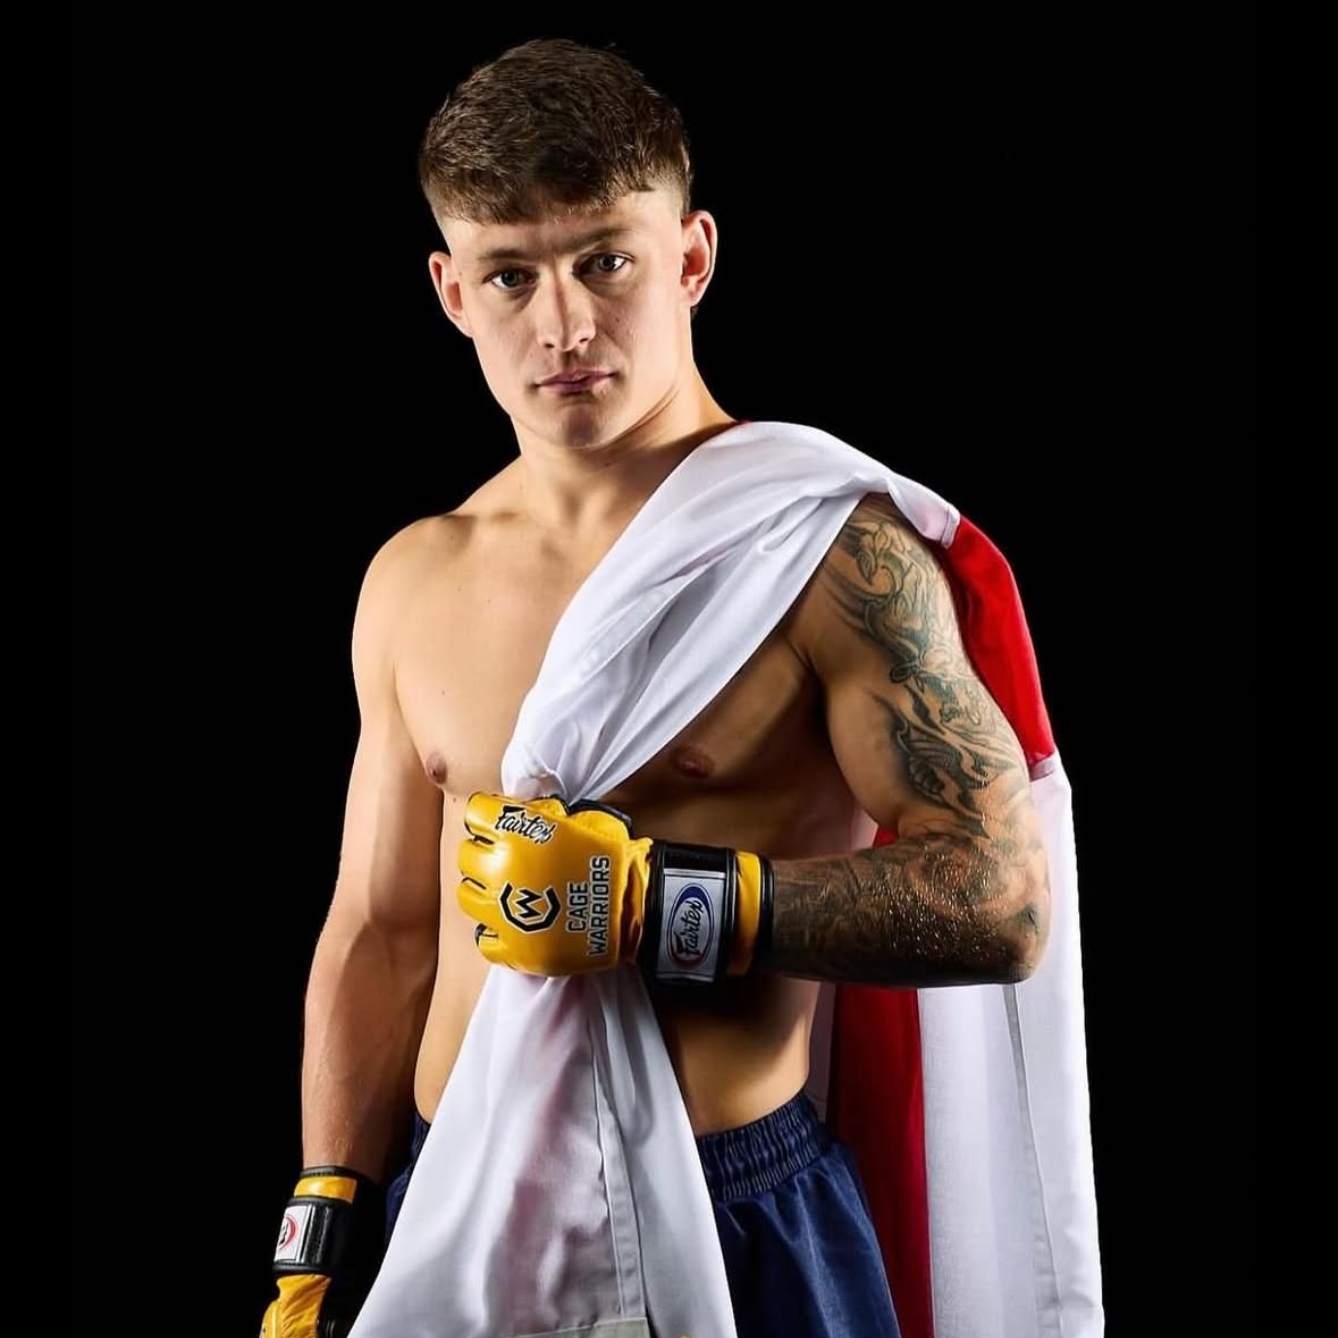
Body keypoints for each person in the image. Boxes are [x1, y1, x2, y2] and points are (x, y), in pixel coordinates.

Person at [259, 36, 1052, 1338]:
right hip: (447, 1204)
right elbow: (380, 928)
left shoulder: (821, 553)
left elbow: (1000, 897)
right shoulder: (416, 575)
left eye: (604, 261)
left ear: (689, 257)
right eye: (512, 274)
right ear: (452, 292)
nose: (563, 324)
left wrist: (658, 902)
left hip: (736, 1212)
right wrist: (322, 1223)